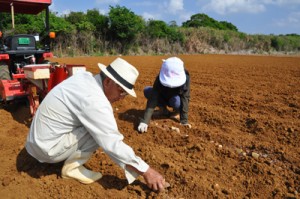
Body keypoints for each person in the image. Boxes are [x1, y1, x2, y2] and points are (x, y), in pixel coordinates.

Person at [25, 57, 166, 192]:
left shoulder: (85, 78)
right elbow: (112, 142)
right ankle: (72, 169)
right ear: (108, 82)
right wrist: (146, 171)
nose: (121, 98)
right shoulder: (94, 100)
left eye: (125, 94)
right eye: (121, 91)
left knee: (96, 125)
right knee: (98, 130)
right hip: (47, 149)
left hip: (36, 141)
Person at [138, 57, 191, 133]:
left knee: (177, 102)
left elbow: (185, 97)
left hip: (174, 98)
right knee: (148, 90)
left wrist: (184, 121)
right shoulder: (159, 77)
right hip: (163, 95)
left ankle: (176, 112)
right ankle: (163, 110)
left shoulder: (186, 77)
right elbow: (153, 98)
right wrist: (144, 121)